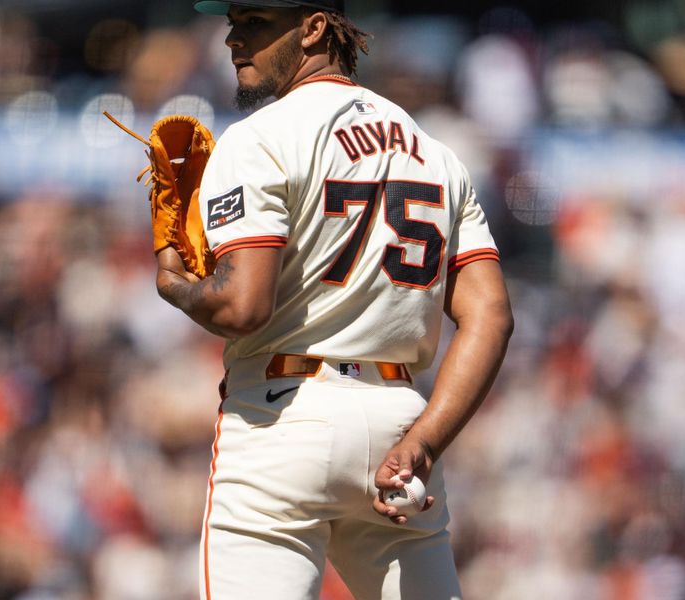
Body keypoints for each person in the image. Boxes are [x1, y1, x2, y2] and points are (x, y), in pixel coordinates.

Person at [157, 1, 514, 598]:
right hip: (398, 419)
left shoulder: (259, 137)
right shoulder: (436, 153)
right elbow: (491, 317)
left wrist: (175, 283)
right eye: (232, 24)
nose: (232, 40)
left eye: (254, 24)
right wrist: (425, 441)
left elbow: (243, 308)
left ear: (315, 28)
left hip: (282, 415)